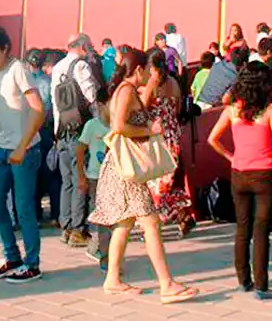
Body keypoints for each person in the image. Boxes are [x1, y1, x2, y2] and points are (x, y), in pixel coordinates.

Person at [88, 48, 198, 303]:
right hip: (127, 171)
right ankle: (166, 283)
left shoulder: (122, 90)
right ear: (138, 70)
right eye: (147, 70)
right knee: (150, 224)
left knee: (125, 225)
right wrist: (149, 128)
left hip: (121, 168)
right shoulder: (127, 91)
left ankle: (113, 279)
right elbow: (118, 127)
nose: (150, 74)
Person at [207, 61, 272, 299]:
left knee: (242, 229)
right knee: (261, 229)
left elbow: (213, 139)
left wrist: (230, 156)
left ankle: (244, 280)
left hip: (239, 173)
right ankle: (262, 286)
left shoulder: (232, 110)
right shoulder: (271, 110)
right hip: (264, 174)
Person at [0, 24, 45, 283]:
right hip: (3, 148)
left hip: (25, 149)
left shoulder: (19, 69)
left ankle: (32, 263)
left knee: (24, 207)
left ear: (5, 48)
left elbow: (38, 110)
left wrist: (21, 146)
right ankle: (11, 255)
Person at [50, 34, 100, 247]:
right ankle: (79, 230)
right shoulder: (81, 66)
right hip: (79, 130)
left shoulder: (57, 67)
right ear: (81, 46)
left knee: (67, 181)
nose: (90, 51)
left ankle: (67, 226)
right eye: (89, 47)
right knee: (81, 180)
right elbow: (91, 97)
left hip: (61, 130)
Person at [144, 50, 195, 237]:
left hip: (158, 137)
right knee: (170, 181)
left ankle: (154, 226)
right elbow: (178, 108)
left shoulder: (153, 82)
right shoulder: (173, 82)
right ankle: (183, 216)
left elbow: (142, 106)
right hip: (173, 134)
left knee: (156, 184)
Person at [75, 100, 110, 267]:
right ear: (101, 105)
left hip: (115, 177)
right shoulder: (92, 125)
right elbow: (80, 150)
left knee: (109, 217)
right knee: (101, 214)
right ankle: (104, 254)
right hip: (95, 177)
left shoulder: (119, 124)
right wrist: (81, 176)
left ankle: (98, 248)